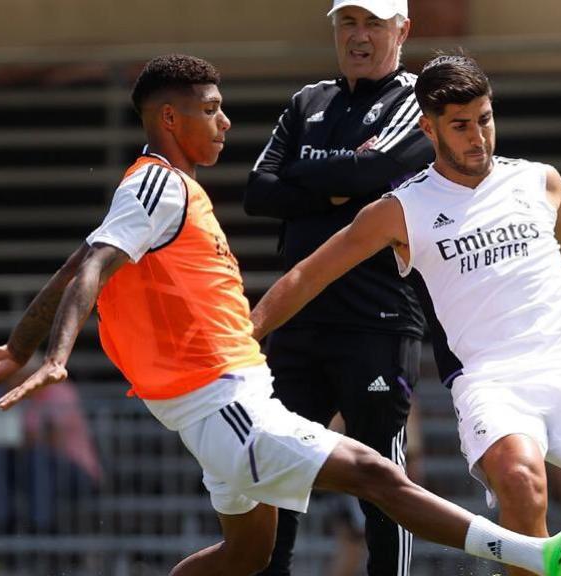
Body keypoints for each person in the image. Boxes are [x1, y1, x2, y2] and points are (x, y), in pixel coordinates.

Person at [0, 54, 561, 576]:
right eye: (211, 110)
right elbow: (89, 266)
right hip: (225, 405)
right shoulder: (155, 184)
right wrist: (53, 355)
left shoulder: (166, 190)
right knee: (377, 473)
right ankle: (535, 554)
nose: (226, 122)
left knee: (246, 556)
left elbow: (73, 264)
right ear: (170, 120)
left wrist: (16, 348)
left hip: (231, 402)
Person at [248, 54, 561, 576]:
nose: (477, 136)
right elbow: (309, 274)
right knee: (521, 479)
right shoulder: (400, 209)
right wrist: (249, 331)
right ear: (428, 127)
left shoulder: (539, 181)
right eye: (460, 126)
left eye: (484, 119)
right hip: (491, 380)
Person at [243, 0, 435, 574]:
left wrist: (315, 177)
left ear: (403, 29)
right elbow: (258, 191)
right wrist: (338, 185)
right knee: (272, 469)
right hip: (299, 321)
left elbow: (361, 175)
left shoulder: (415, 98)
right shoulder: (308, 101)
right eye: (347, 22)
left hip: (375, 319)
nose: (358, 35)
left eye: (373, 23)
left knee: (380, 480)